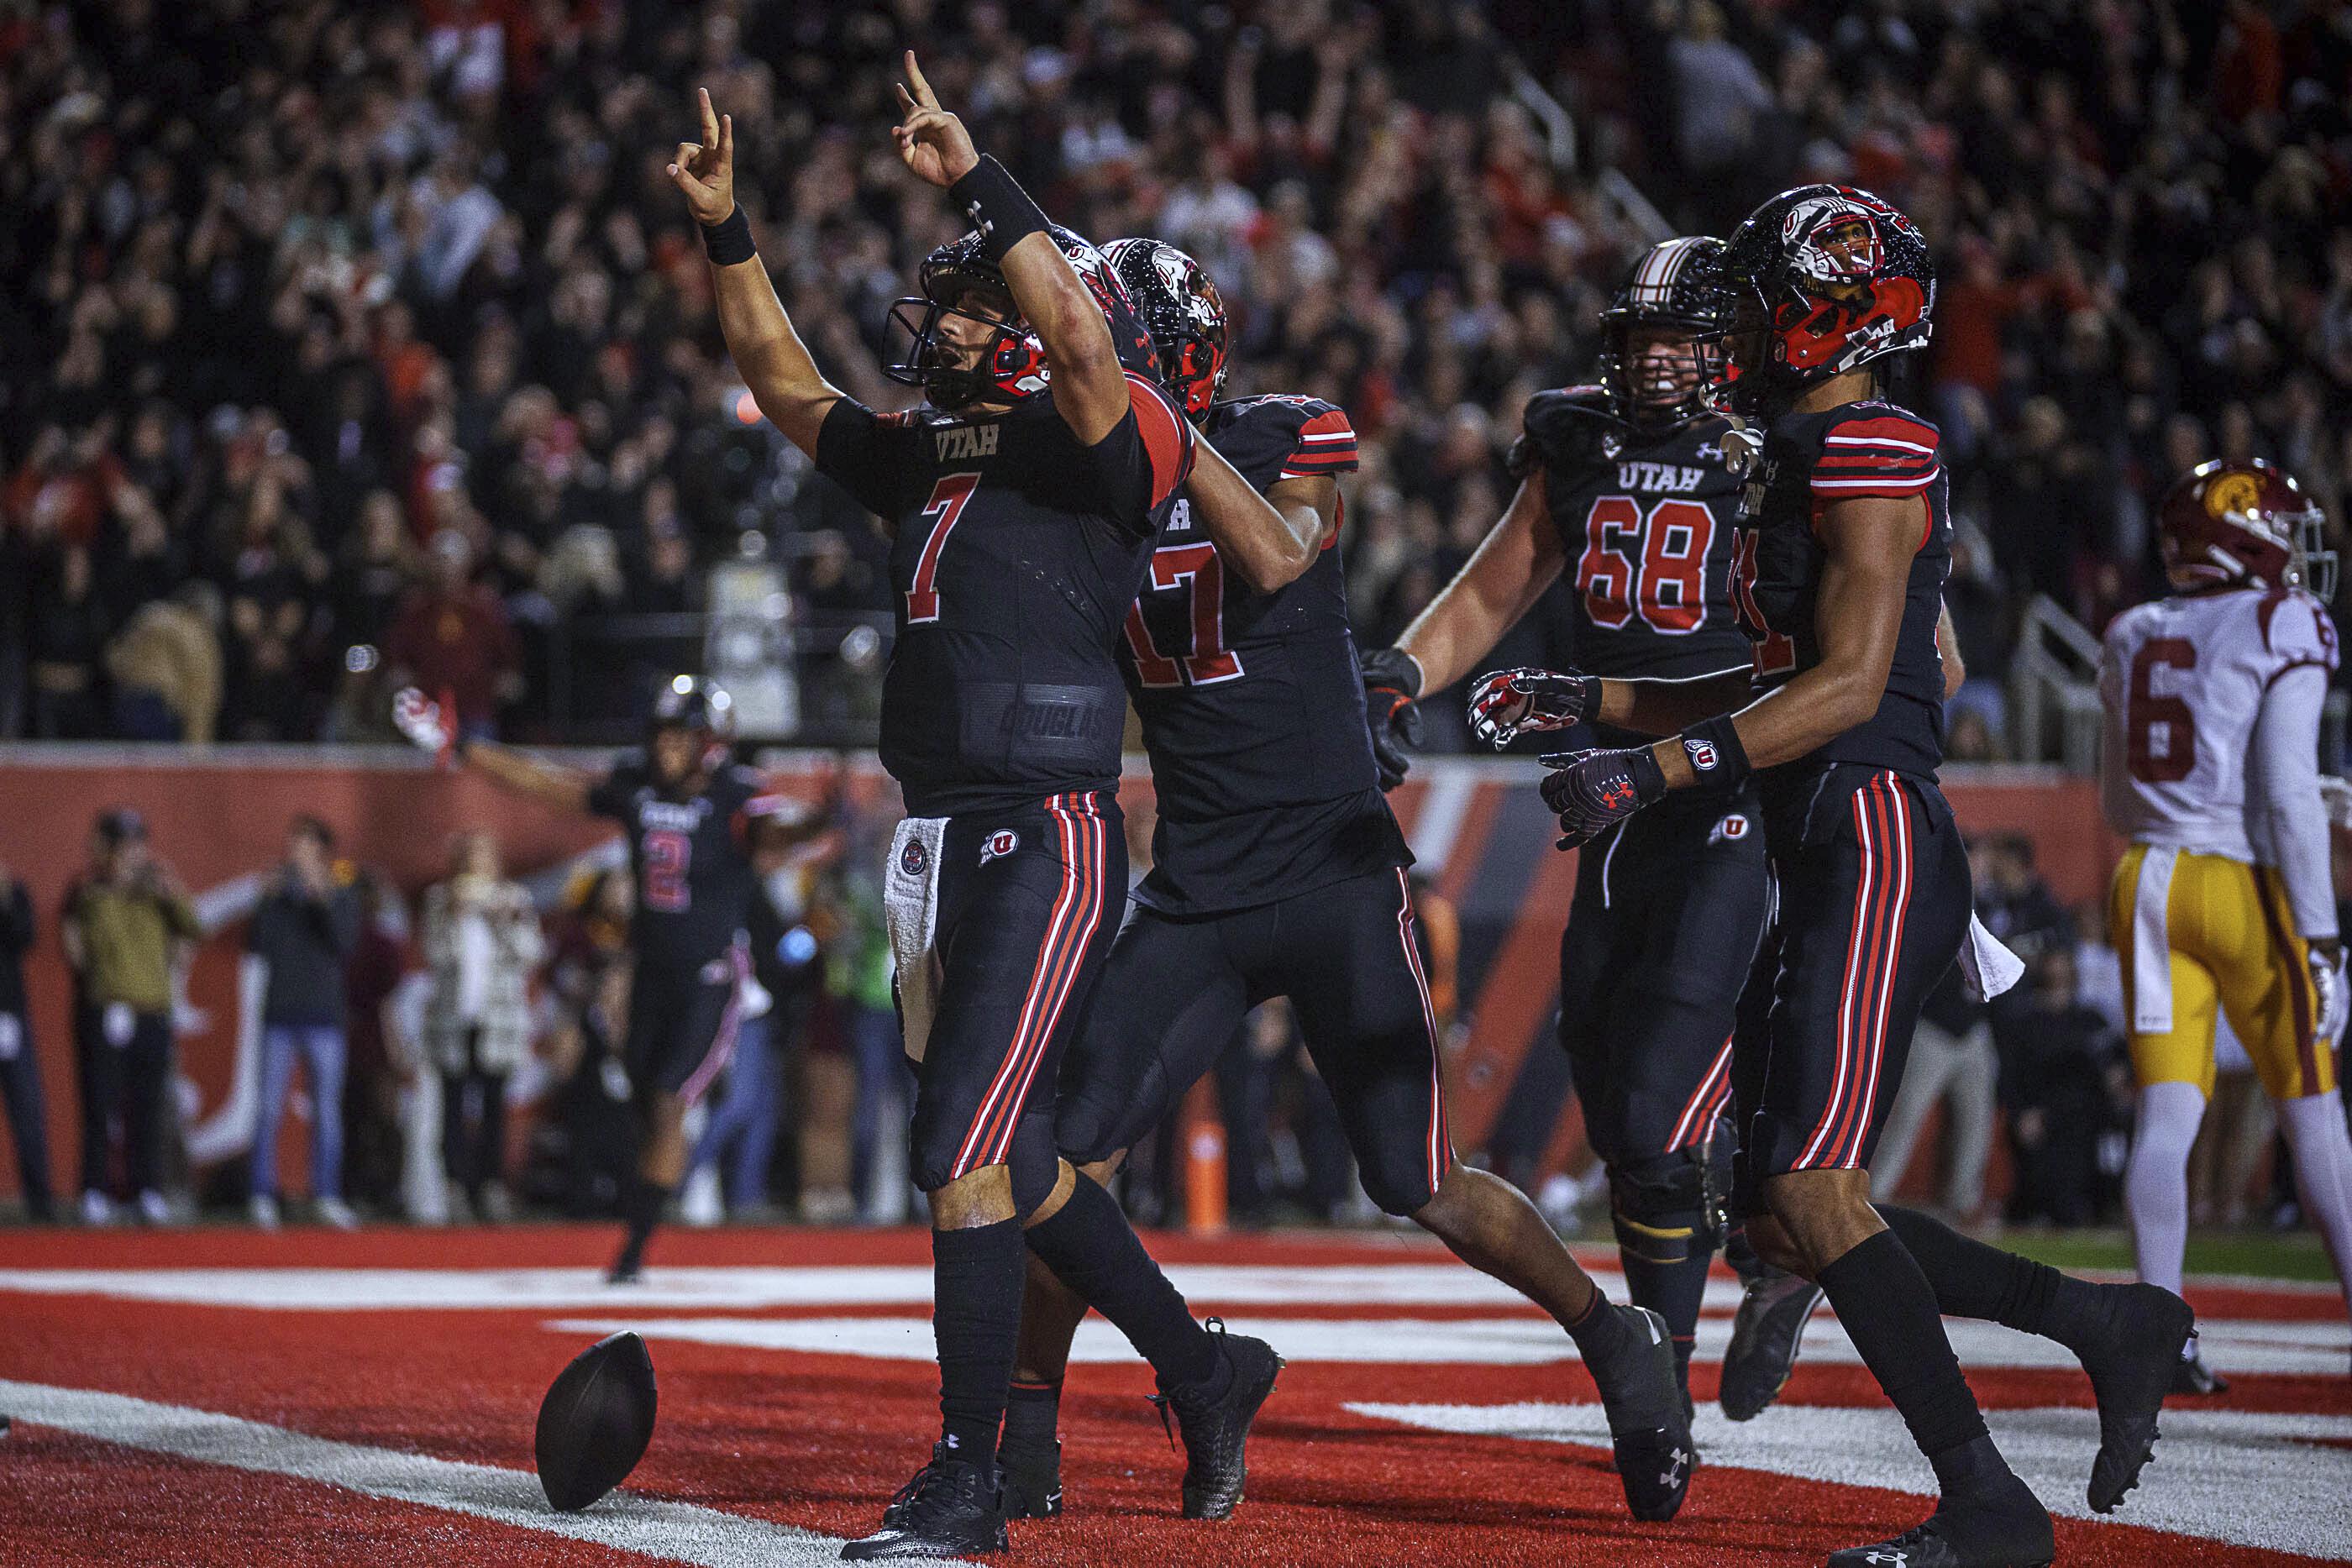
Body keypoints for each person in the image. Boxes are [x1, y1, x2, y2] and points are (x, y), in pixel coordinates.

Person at [1486, 186, 2192, 1565]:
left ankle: (1989, 1501)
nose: (1742, 319)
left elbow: (1861, 682)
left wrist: (1658, 771)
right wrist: (1592, 702)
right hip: (1818, 831)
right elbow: (1773, 674)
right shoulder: (1806, 445)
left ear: (1835, 307)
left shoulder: (1871, 441)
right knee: (1774, 1210)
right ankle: (2104, 1321)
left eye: (1763, 294)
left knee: (1808, 1190)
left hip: (1864, 826)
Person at [675, 64, 1292, 1558]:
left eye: (968, 305)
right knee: (1005, 1163)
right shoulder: (938, 453)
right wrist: (729, 233)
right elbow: (788, 387)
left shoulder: (1106, 437)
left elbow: (1081, 332)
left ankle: (966, 1481)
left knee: (961, 1143)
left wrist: (978, 179)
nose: (940, 326)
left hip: (1047, 823)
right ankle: (1205, 1366)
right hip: (938, 834)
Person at [1002, 233, 1693, 1529]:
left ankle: (1615, 1334)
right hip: (1197, 881)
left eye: (1095, 350)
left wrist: (1161, 434)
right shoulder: (1078, 478)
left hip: (1327, 867)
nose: (1070, 374)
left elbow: (1280, 551)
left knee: (1415, 1174)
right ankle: (1030, 1428)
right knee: (1065, 1149)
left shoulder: (1287, 431)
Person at [1361, 235, 1764, 1418]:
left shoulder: (1774, 455)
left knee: (1652, 1103)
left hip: (1725, 782)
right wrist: (1401, 671)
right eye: (1637, 341)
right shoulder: (1580, 439)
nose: (1653, 367)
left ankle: (1709, 1323)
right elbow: (1498, 584)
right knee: (1611, 1084)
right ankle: (1675, 1353)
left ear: (1727, 352)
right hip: (1609, 794)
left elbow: (1809, 659)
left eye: (1678, 342)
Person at [396, 674, 804, 1278]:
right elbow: (551, 786)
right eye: (661, 735)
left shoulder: (736, 796)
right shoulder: (636, 783)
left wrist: (817, 824)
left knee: (669, 1101)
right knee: (643, 1098)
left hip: (710, 975)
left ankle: (634, 1249)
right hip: (650, 972)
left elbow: (776, 832)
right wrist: (464, 748)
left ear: (710, 743)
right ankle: (652, 1201)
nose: (666, 748)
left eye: (679, 736)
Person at [2097, 456, 2352, 1391]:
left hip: (2148, 878)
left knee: (2167, 1113)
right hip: (2242, 888)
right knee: (2313, 1112)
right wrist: (2321, 936)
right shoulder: (2284, 617)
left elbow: (2121, 798)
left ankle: (2160, 1330)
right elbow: (2285, 793)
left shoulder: (2134, 627)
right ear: (2245, 534)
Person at [60, 809, 199, 1225]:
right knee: (100, 1105)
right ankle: (95, 1190)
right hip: (109, 1009)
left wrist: (169, 890)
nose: (134, 855)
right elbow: (80, 948)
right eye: (125, 847)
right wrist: (117, 887)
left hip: (153, 1011)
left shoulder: (159, 894)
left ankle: (148, 1190)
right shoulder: (90, 892)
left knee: (148, 1107)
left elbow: (194, 928)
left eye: (139, 845)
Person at [245, 815, 363, 1229]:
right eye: (293, 843)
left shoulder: (341, 893)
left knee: (327, 1112)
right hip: (280, 1014)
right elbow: (257, 945)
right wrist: (264, 900)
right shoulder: (278, 894)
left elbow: (344, 942)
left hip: (325, 1016)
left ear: (321, 851)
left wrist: (322, 898)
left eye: (303, 843)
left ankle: (326, 1195)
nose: (294, 851)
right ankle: (262, 1194)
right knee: (268, 1110)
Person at [419, 831, 543, 1222]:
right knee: (452, 1105)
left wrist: (502, 921)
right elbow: (433, 955)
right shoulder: (441, 899)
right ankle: (455, 1188)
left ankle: (490, 1186)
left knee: (493, 1107)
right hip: (454, 1019)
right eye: (470, 855)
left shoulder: (514, 898)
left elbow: (531, 954)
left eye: (483, 855)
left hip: (499, 1021)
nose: (476, 862)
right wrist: (455, 917)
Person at [0, 861, 55, 1222]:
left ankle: (41, 1204)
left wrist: (4, 898)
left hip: (9, 1015)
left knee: (27, 1109)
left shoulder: (13, 892)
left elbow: (25, 935)